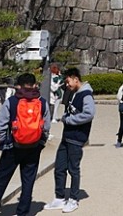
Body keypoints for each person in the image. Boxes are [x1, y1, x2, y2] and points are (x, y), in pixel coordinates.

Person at [0, 73, 51, 216]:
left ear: (18, 86)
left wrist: (4, 141)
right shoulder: (42, 102)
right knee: (28, 180)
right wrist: (41, 142)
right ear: (35, 85)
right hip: (34, 146)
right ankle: (23, 212)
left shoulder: (12, 101)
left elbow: (1, 125)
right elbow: (46, 126)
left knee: (2, 176)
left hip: (13, 146)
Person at [45, 68, 95, 213]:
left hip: (77, 137)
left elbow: (89, 113)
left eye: (68, 82)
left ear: (75, 79)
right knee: (60, 167)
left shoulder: (86, 94)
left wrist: (70, 120)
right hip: (67, 136)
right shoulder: (73, 93)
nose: (67, 85)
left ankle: (73, 199)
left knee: (73, 169)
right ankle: (59, 197)